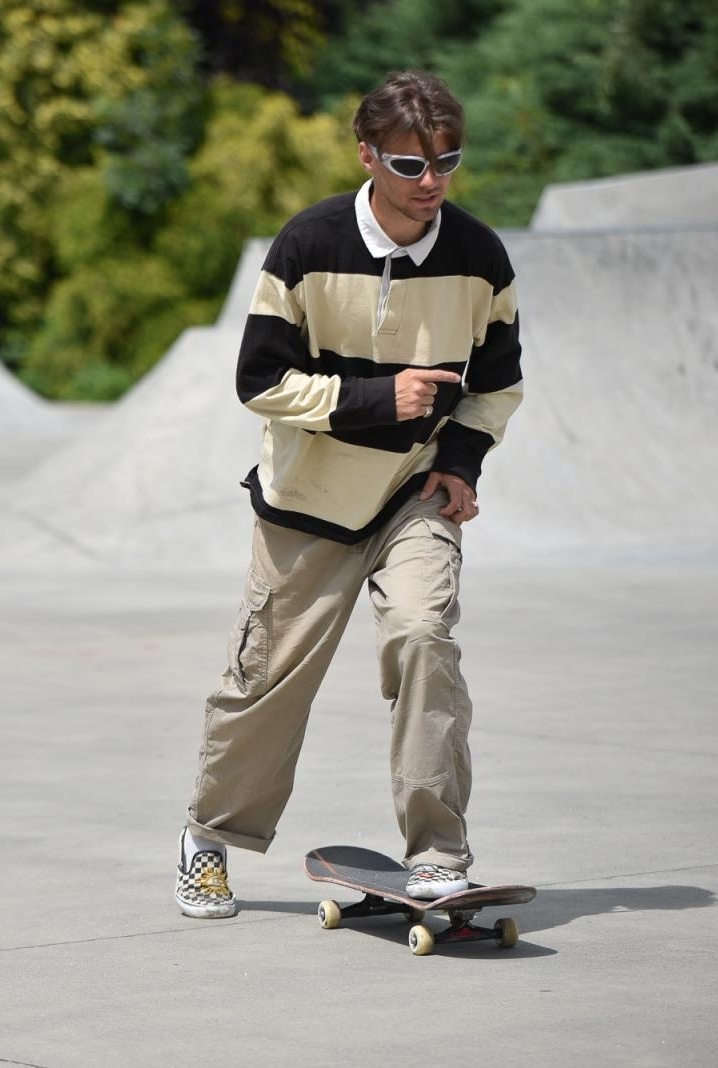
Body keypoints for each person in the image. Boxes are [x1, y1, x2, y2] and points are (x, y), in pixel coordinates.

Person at [174, 71, 522, 918]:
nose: (431, 181)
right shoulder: (307, 245)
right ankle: (208, 838)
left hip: (412, 496)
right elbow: (258, 380)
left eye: (447, 161)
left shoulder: (480, 257)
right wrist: (376, 399)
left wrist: (463, 461)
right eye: (409, 163)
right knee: (266, 684)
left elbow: (499, 382)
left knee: (422, 634)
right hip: (307, 503)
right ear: (367, 156)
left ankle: (439, 852)